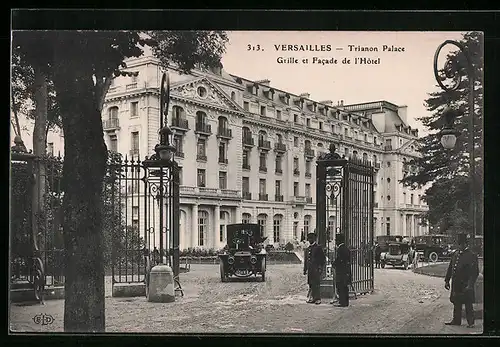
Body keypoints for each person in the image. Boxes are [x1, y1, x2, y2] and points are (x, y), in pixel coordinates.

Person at [444, 233, 480, 328]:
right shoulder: (455, 254)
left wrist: (470, 284)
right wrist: (447, 280)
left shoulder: (471, 255)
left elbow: (474, 272)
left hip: (466, 284)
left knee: (468, 304)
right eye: (459, 244)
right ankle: (456, 320)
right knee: (456, 302)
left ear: (465, 244)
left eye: (461, 244)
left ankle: (471, 322)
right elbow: (450, 268)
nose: (460, 246)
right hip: (456, 284)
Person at [303, 232, 326, 304]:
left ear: (314, 239)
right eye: (309, 238)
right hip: (310, 269)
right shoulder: (308, 248)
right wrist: (305, 269)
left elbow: (322, 259)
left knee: (316, 283)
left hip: (316, 269)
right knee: (311, 283)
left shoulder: (318, 248)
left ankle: (317, 298)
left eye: (311, 238)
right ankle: (313, 297)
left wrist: (320, 267)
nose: (310, 240)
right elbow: (306, 260)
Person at [333, 233, 351, 307]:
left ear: (339, 241)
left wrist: (334, 264)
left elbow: (339, 259)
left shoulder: (340, 249)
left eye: (336, 240)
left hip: (341, 270)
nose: (336, 242)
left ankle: (342, 302)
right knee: (345, 286)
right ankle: (345, 302)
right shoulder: (346, 248)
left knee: (340, 286)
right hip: (346, 270)